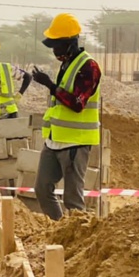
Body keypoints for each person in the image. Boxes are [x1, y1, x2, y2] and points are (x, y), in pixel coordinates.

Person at [30, 13, 101, 221]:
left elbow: (77, 104)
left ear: (71, 42)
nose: (54, 50)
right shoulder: (67, 64)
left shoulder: (89, 67)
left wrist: (50, 85)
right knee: (42, 189)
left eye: (57, 45)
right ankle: (60, 229)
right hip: (55, 139)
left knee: (73, 200)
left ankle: (77, 236)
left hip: (75, 142)